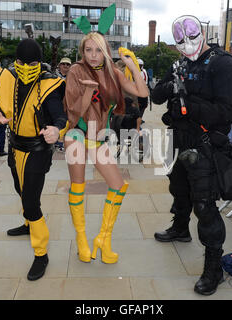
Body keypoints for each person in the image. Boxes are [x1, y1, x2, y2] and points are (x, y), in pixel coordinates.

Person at [151, 15, 232, 296]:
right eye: (180, 41)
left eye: (191, 38)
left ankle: (213, 266)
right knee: (179, 189)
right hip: (181, 139)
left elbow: (228, 111)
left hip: (206, 144)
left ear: (202, 33)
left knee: (204, 205)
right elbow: (156, 95)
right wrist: (173, 90)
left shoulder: (222, 63)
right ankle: (180, 228)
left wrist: (189, 106)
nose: (187, 44)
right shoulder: (179, 64)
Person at [64, 12, 148, 264]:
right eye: (88, 49)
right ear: (83, 51)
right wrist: (89, 91)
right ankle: (81, 238)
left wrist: (131, 65)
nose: (92, 55)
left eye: (97, 50)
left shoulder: (113, 71)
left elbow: (141, 93)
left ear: (105, 51)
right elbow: (72, 111)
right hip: (76, 134)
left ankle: (103, 238)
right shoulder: (76, 72)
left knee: (118, 185)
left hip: (99, 138)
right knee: (78, 186)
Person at [0, 39, 68, 281]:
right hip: (15, 147)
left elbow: (59, 116)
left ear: (40, 62)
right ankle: (27, 224)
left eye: (32, 62)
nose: (26, 67)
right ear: (16, 61)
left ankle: (41, 253)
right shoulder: (7, 79)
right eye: (22, 62)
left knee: (31, 201)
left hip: (37, 149)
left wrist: (57, 130)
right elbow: (0, 111)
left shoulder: (49, 84)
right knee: (19, 189)